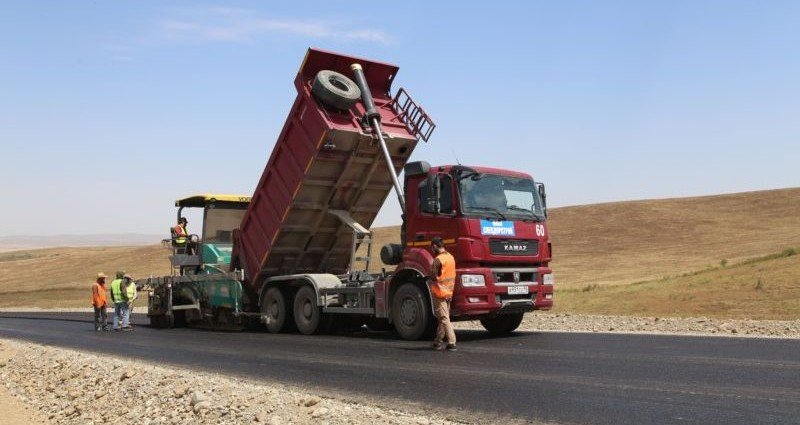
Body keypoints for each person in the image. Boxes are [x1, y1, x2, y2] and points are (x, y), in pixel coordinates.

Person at [429, 237, 457, 351]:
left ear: (435, 246)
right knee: (442, 318)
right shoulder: (450, 257)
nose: (432, 250)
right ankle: (438, 341)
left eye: (432, 247)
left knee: (444, 318)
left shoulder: (438, 260)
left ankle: (452, 342)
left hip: (439, 292)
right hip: (449, 292)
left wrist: (428, 278)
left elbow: (434, 276)